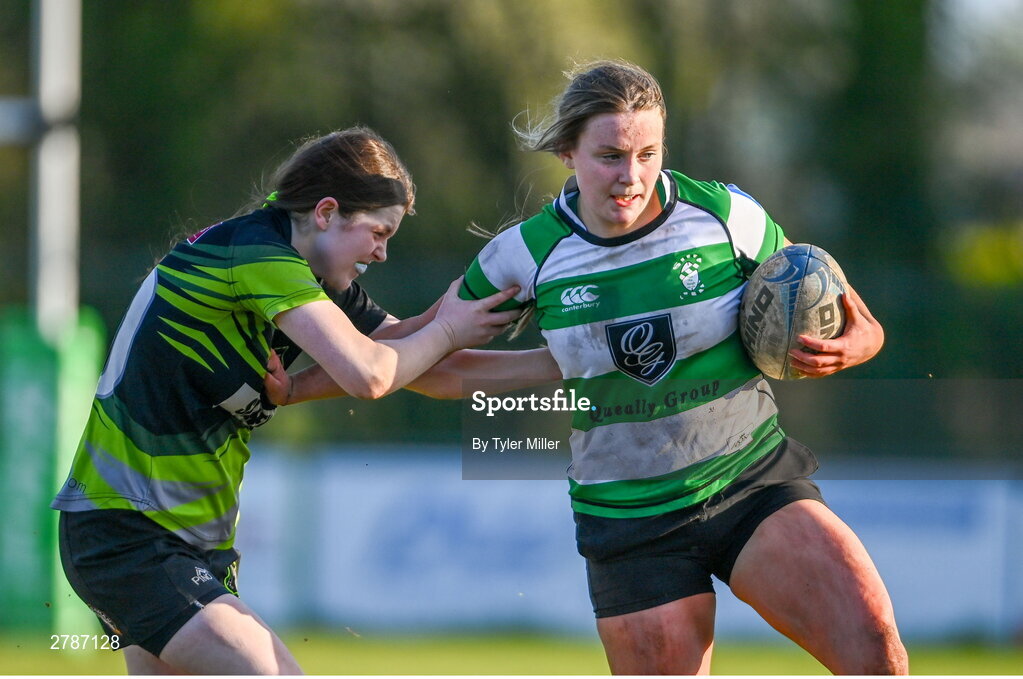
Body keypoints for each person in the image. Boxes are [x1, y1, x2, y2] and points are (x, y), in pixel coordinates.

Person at [454, 60, 907, 674]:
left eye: (648, 153)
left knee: (875, 647)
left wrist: (860, 345)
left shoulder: (725, 216)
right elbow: (420, 351)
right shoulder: (525, 254)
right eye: (611, 156)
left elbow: (845, 311)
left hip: (751, 481)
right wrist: (316, 372)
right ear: (568, 151)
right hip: (630, 520)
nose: (631, 177)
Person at [50, 127, 523, 675]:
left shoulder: (308, 275)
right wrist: (444, 329)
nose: (383, 251)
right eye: (378, 231)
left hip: (192, 543)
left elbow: (428, 369)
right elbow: (370, 375)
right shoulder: (256, 253)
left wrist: (567, 366)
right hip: (127, 530)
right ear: (326, 213)